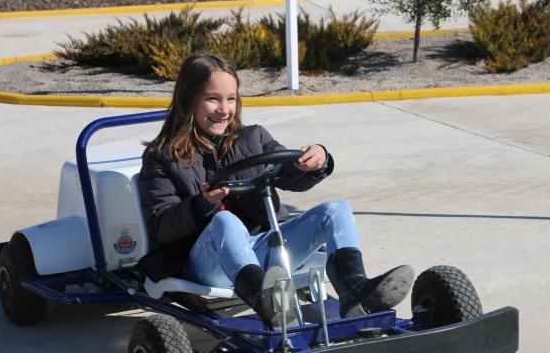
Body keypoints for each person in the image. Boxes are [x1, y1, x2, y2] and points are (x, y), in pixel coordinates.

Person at [137, 53, 413, 328]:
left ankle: (354, 292)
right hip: (207, 262)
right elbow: (161, 225)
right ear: (190, 99)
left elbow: (292, 173)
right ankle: (268, 304)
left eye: (231, 99)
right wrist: (201, 204)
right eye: (213, 99)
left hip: (264, 249)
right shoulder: (163, 157)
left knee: (336, 208)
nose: (224, 109)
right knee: (225, 220)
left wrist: (317, 160)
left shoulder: (253, 138)